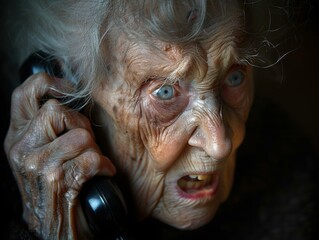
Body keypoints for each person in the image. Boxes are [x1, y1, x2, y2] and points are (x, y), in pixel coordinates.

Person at [1, 0, 318, 239]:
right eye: (165, 92)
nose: (220, 144)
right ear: (67, 90)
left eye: (234, 78)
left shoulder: (282, 166)